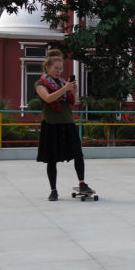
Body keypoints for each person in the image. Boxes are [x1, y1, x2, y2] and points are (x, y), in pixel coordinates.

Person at [35, 49, 92, 201]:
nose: (59, 71)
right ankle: (53, 190)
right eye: (56, 68)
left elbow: (73, 101)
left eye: (61, 69)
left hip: (67, 123)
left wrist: (73, 91)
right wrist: (65, 88)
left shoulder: (62, 83)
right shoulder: (41, 83)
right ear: (47, 68)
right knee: (51, 159)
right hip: (51, 124)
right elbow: (48, 98)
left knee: (78, 154)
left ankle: (82, 183)